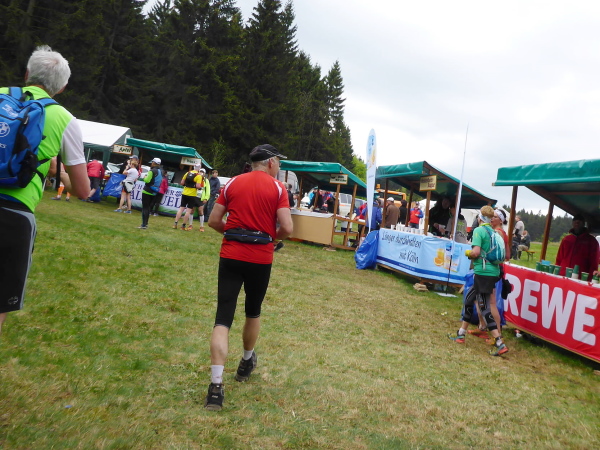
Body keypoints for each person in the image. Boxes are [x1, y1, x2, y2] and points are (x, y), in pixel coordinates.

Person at [0, 45, 89, 333]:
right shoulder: (64, 119)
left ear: (27, 74)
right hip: (15, 215)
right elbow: (82, 190)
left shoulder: (1, 95)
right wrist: (56, 170)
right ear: (62, 88)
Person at [205, 144, 293, 411]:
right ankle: (245, 362)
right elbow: (287, 227)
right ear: (270, 162)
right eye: (278, 162)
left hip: (231, 254)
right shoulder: (278, 188)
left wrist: (234, 234)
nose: (279, 166)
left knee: (223, 317)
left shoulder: (232, 183)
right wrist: (269, 238)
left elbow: (214, 220)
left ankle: (215, 387)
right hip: (260, 258)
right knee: (253, 311)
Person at [447, 205, 508, 356]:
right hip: (492, 272)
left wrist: (468, 253)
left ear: (480, 217)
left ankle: (499, 342)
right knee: (469, 300)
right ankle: (461, 334)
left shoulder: (479, 231)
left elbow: (476, 252)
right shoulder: (493, 232)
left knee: (484, 307)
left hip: (483, 272)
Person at [172, 164, 202, 231]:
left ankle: (175, 223)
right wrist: (200, 187)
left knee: (181, 208)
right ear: (199, 168)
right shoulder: (198, 176)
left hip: (185, 192)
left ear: (193, 167)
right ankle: (183, 225)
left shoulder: (187, 173)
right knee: (188, 211)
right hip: (192, 194)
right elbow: (198, 186)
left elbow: (182, 183)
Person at [138, 157, 161, 229]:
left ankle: (143, 224)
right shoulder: (160, 171)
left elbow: (147, 180)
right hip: (154, 191)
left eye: (152, 162)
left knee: (145, 208)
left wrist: (145, 177)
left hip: (147, 191)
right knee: (148, 208)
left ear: (154, 163)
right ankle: (146, 224)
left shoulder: (152, 171)